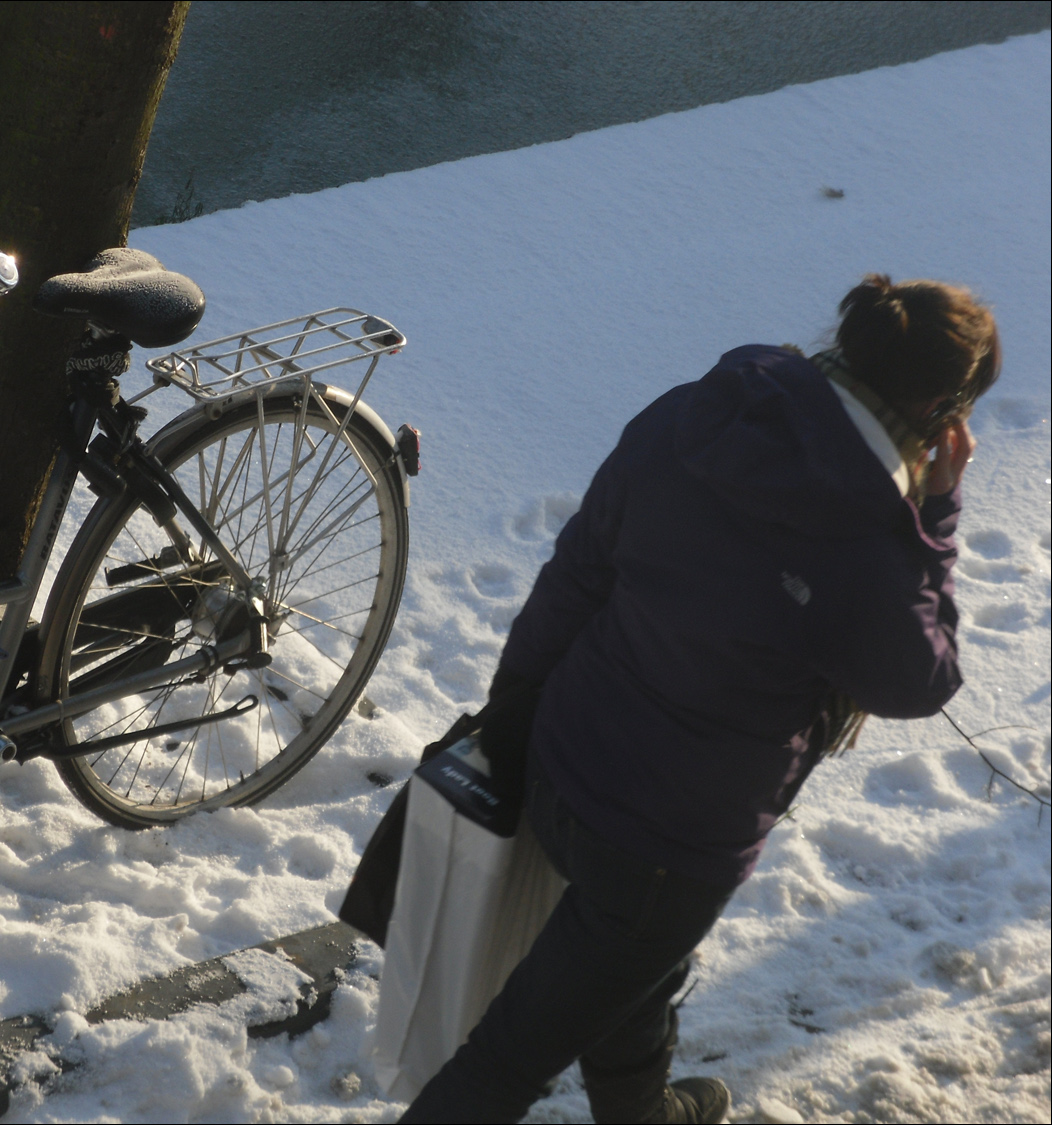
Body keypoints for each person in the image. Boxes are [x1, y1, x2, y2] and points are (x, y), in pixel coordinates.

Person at [397, 275, 1001, 1124]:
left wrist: (514, 720)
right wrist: (937, 516)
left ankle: (642, 1112)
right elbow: (920, 678)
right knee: (508, 1059)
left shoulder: (701, 412)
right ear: (943, 412)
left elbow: (579, 572)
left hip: (565, 758)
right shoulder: (867, 541)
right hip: (663, 847)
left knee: (629, 967)